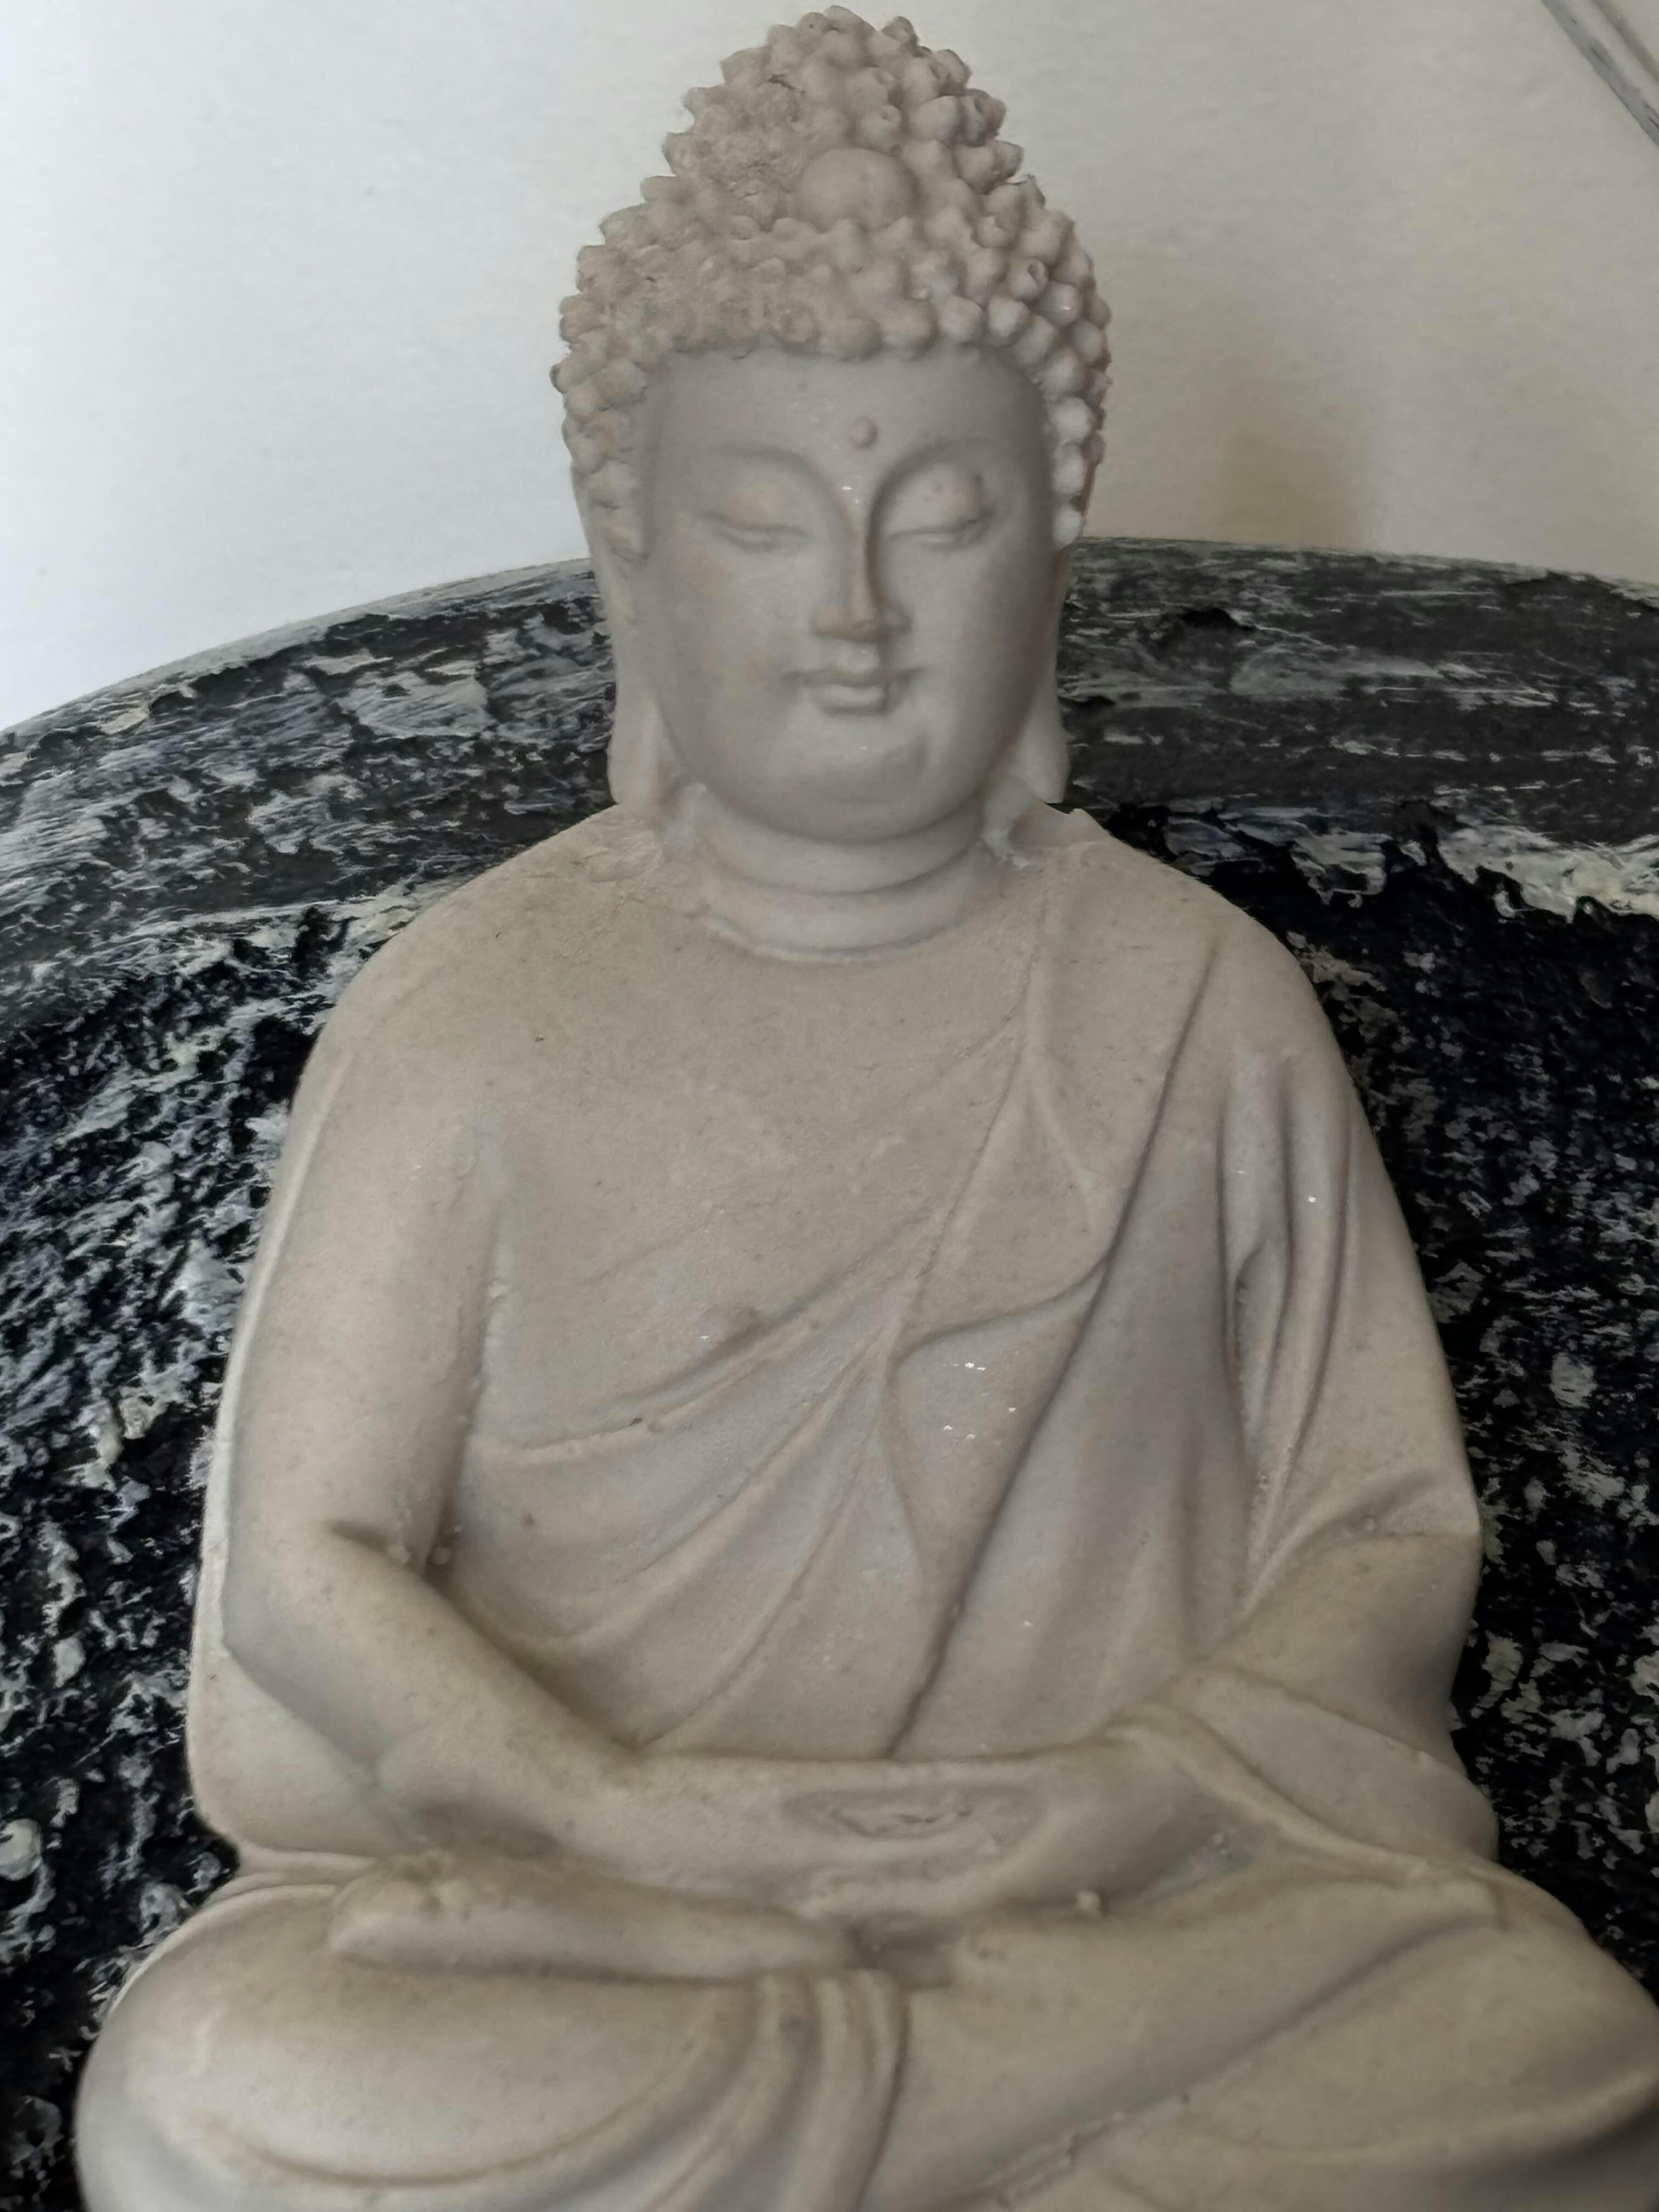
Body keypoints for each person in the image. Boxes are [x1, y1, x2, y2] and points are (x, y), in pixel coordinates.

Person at [77, 14, 1659, 2209]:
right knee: (213, 2085)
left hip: (1100, 1893)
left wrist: (1117, 1797)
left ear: (1050, 560)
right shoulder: (477, 1015)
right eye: (761, 521)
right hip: (605, 1915)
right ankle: (993, 2108)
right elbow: (307, 1571)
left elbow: (1377, 1535)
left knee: (1543, 2040)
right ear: (633, 562)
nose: (851, 614)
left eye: (944, 522)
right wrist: (607, 1811)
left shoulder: (1192, 1003)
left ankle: (945, 2092)